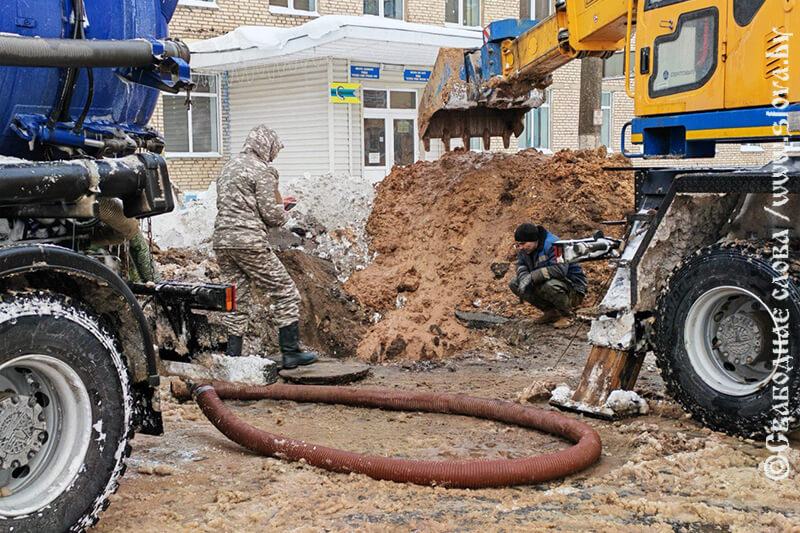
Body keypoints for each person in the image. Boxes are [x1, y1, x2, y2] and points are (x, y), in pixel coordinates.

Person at [212, 124, 317, 369]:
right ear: (266, 146)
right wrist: (286, 213)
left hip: (223, 241)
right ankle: (291, 353)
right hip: (249, 241)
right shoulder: (262, 170)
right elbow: (271, 215)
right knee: (285, 290)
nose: (274, 155)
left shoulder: (228, 167)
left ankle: (232, 358)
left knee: (237, 298)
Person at [508, 222, 588, 328]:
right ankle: (551, 312)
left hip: (573, 289)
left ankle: (568, 315)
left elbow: (560, 270)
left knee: (549, 285)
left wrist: (532, 277)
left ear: (534, 240)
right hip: (550, 284)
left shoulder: (555, 245)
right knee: (515, 283)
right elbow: (521, 264)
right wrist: (524, 278)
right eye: (519, 244)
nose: (521, 247)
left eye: (523, 244)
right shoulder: (526, 248)